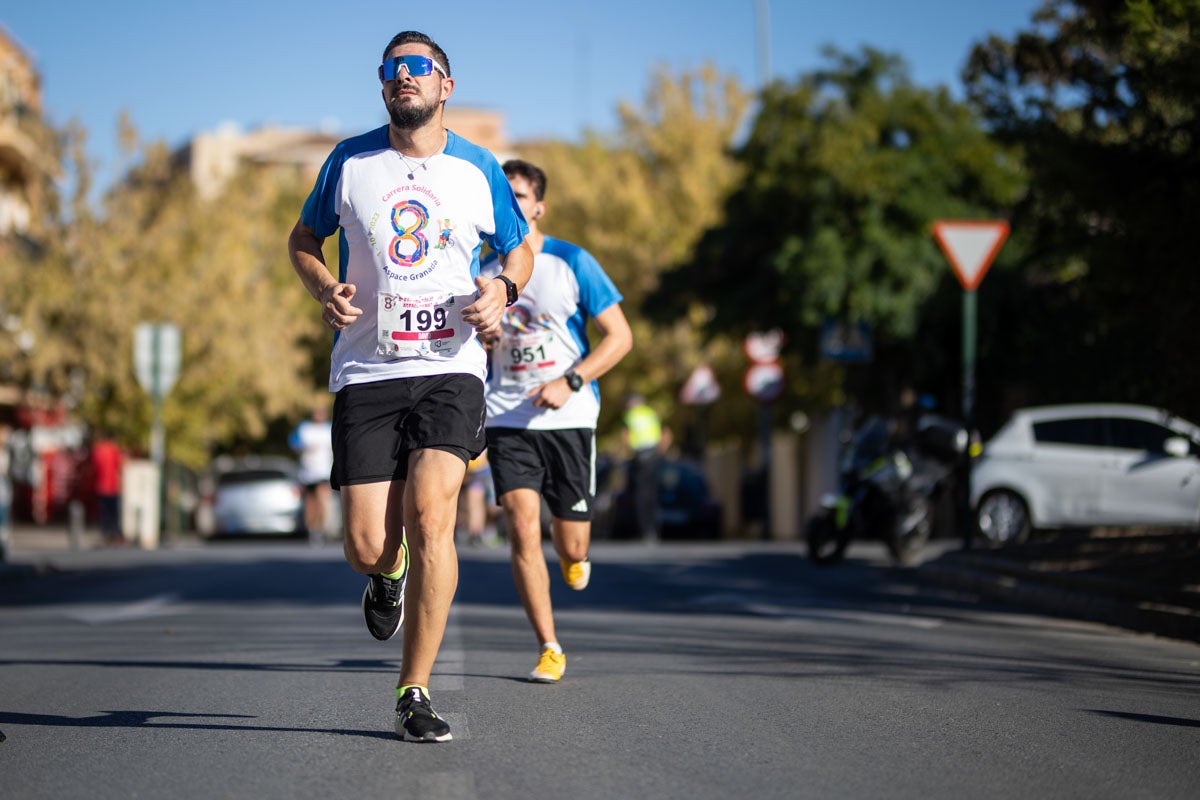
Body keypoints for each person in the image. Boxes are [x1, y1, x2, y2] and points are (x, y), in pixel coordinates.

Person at [287, 31, 533, 743]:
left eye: (419, 68)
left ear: (445, 86)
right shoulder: (351, 161)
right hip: (368, 368)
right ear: (382, 85)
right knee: (367, 545)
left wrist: (505, 286)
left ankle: (413, 690)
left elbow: (517, 244)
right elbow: (303, 239)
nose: (404, 78)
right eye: (392, 70)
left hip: (452, 367)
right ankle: (385, 573)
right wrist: (325, 285)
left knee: (433, 515)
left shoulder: (479, 168)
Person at [482, 159, 633, 683]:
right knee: (523, 528)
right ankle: (549, 645)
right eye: (505, 197)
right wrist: (483, 340)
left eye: (520, 197)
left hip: (568, 415)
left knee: (571, 544)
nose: (513, 206)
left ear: (539, 206)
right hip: (506, 415)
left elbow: (620, 337)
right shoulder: (479, 269)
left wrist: (569, 381)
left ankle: (575, 554)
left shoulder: (571, 261)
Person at [622, 393, 668, 542]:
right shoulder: (651, 413)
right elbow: (665, 433)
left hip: (640, 456)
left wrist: (629, 450)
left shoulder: (631, 415)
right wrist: (661, 451)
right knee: (653, 494)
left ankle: (645, 531)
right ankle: (654, 530)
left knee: (641, 495)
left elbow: (626, 435)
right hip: (654, 455)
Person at [289, 403, 335, 541]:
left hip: (324, 471)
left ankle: (321, 527)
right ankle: (312, 528)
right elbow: (294, 444)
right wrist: (304, 450)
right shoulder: (304, 428)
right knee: (310, 502)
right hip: (307, 472)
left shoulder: (329, 428)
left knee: (322, 499)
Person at [89, 433, 124, 546]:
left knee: (104, 512)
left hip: (102, 486)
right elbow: (121, 465)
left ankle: (106, 533)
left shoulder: (98, 450)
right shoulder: (115, 450)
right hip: (114, 486)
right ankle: (114, 533)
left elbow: (94, 466)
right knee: (115, 513)